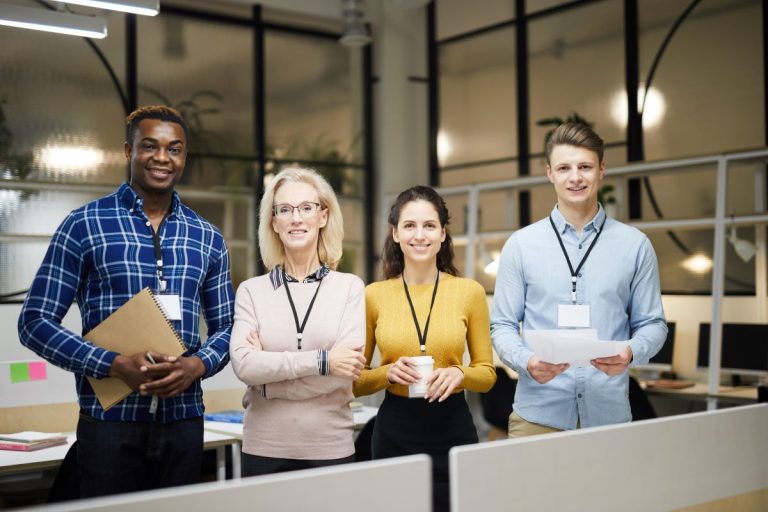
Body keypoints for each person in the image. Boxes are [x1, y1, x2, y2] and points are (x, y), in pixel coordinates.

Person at [18, 106, 235, 496]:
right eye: (149, 146)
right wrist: (113, 364)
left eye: (175, 149)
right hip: (110, 421)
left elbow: (229, 328)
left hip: (184, 422)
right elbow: (34, 322)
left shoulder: (208, 237)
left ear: (184, 156)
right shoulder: (84, 224)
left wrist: (196, 365)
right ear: (127, 151)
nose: (162, 158)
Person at [491, 122, 667, 438]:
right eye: (564, 168)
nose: (575, 177)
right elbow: (502, 325)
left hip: (608, 418)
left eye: (585, 166)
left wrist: (629, 352)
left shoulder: (635, 245)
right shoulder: (521, 245)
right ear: (550, 173)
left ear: (601, 169)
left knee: (608, 491)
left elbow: (653, 323)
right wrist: (526, 360)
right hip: (537, 418)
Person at [354, 185, 496, 512]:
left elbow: (487, 374)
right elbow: (355, 381)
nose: (420, 235)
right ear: (395, 233)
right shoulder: (373, 295)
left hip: (453, 428)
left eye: (430, 226)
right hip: (394, 431)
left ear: (443, 234)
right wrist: (387, 373)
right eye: (410, 225)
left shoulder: (469, 292)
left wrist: (459, 374)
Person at [229, 167, 366, 476]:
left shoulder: (349, 288)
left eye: (307, 207)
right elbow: (245, 367)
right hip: (263, 448)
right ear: (274, 222)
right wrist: (323, 360)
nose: (296, 218)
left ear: (323, 216)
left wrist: (268, 385)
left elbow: (345, 374)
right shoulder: (252, 291)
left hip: (330, 447)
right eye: (285, 210)